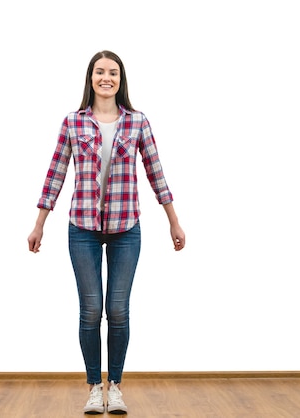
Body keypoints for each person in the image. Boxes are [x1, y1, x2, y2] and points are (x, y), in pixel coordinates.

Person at [27, 50, 185, 415]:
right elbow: (55, 174)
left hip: (125, 227)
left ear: (120, 79)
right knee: (90, 309)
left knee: (118, 309)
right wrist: (39, 224)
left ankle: (115, 386)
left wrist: (173, 220)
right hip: (81, 227)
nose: (106, 78)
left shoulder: (138, 122)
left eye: (112, 72)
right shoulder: (73, 122)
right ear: (91, 78)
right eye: (100, 72)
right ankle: (93, 388)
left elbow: (155, 172)